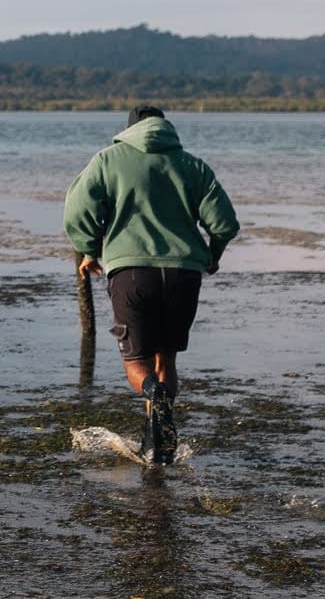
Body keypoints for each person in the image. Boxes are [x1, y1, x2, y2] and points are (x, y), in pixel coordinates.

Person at [64, 104, 238, 465]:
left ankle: (150, 394)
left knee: (136, 361)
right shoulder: (193, 165)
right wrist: (213, 254)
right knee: (167, 358)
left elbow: (77, 209)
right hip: (183, 273)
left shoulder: (106, 160)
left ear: (129, 129)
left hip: (130, 272)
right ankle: (156, 434)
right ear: (166, 126)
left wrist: (87, 249)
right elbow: (224, 223)